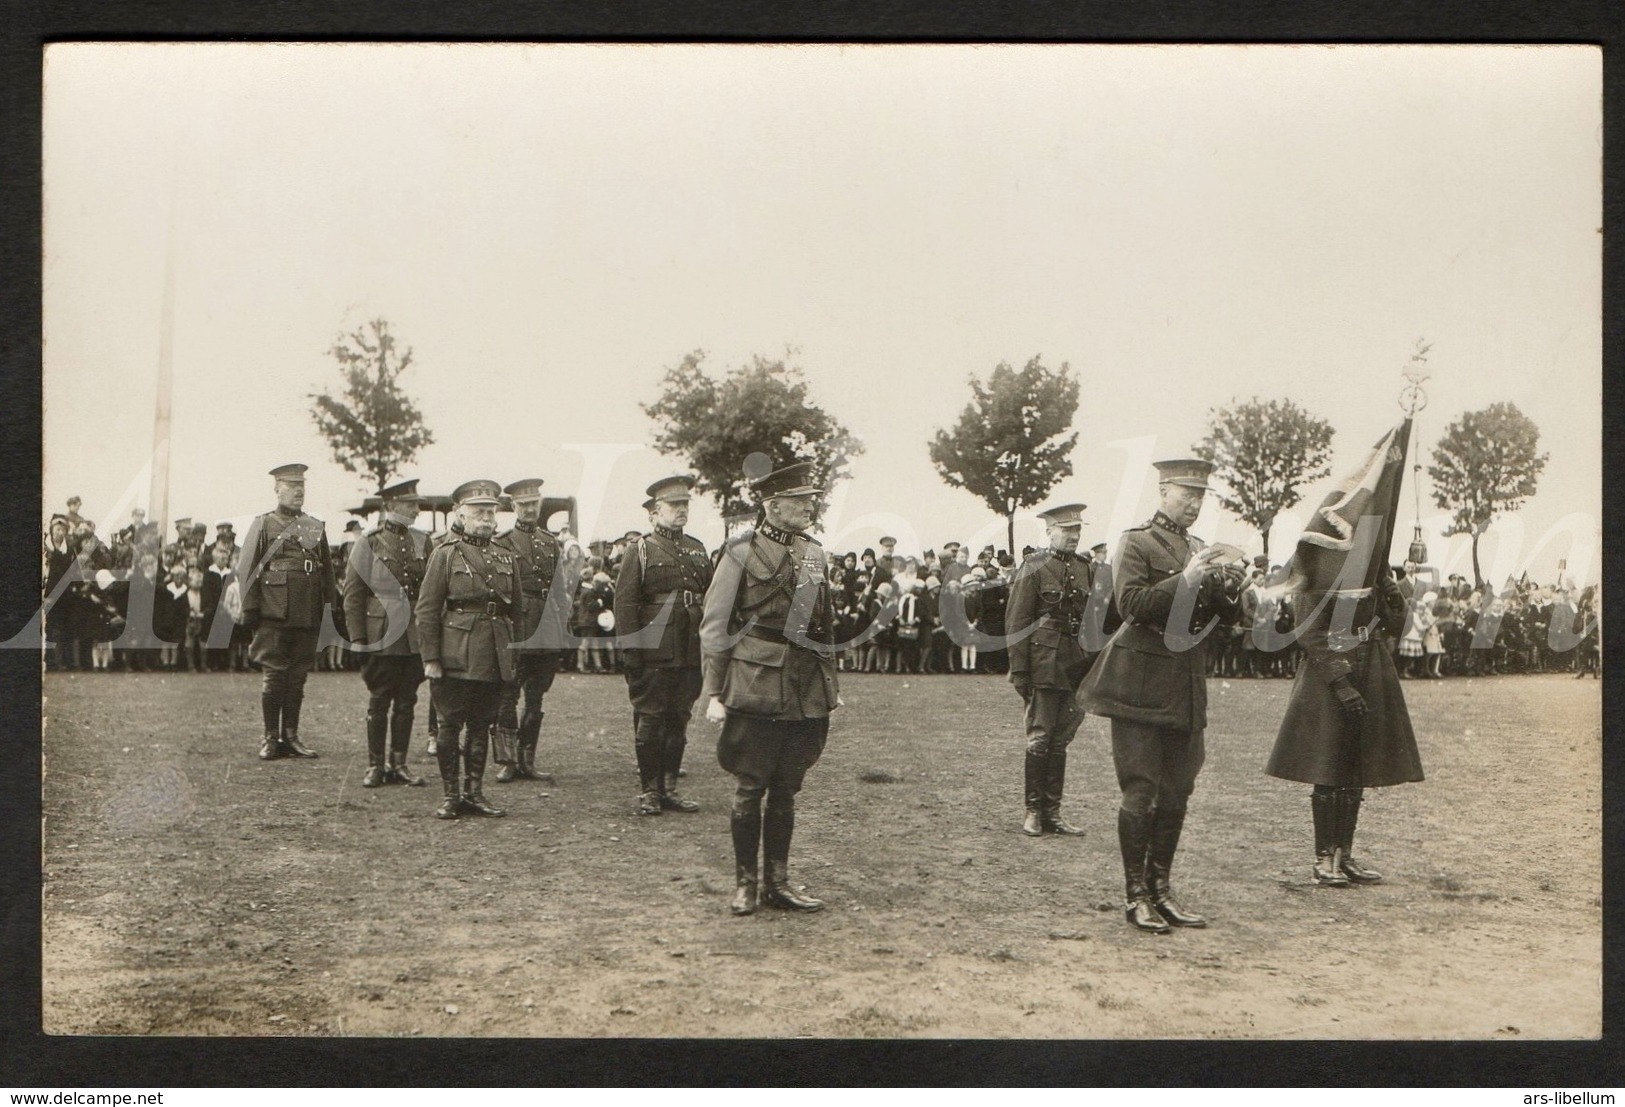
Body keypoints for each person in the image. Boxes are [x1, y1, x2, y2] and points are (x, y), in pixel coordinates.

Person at [1080, 458, 1244, 933]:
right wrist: (1188, 578)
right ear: (1163, 491)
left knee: (1177, 792)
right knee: (1141, 789)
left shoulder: (1197, 547)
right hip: (1140, 683)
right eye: (1187, 494)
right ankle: (1136, 897)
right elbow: (1130, 605)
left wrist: (1231, 593)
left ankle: (1162, 890)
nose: (1194, 504)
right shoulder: (1135, 542)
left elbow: (1220, 621)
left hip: (1185, 684)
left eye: (1201, 496)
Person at [1264, 483, 1423, 887]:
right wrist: (1341, 682)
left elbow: (1398, 627)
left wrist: (1392, 594)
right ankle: (1323, 858)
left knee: (1355, 767)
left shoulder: (1376, 568)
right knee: (1329, 765)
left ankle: (1345, 854)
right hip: (1328, 673)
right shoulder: (1316, 563)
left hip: (1371, 667)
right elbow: (1309, 630)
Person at [701, 460, 839, 916]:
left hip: (804, 685)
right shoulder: (740, 552)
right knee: (750, 784)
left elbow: (826, 623)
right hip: (756, 680)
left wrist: (830, 683)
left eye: (810, 500)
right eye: (801, 501)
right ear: (774, 506)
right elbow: (716, 626)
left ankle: (778, 882)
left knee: (787, 787)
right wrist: (715, 693)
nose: (809, 507)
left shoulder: (815, 554)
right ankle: (746, 885)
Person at [415, 479, 519, 819]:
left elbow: (515, 611)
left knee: (481, 724)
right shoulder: (445, 555)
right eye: (478, 512)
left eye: (491, 511)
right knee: (449, 725)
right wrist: (431, 657)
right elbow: (427, 610)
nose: (486, 518)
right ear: (460, 514)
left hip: (493, 651)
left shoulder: (506, 556)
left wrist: (511, 653)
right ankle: (451, 796)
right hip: (455, 653)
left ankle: (475, 793)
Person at [614, 474, 714, 815]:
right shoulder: (639, 550)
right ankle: (649, 791)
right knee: (651, 719)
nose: (681, 510)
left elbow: (712, 600)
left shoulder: (698, 549)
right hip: (654, 649)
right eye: (674, 505)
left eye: (685, 504)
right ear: (655, 512)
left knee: (679, 720)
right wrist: (631, 651)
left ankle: (670, 788)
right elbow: (625, 603)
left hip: (690, 647)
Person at [1006, 502, 1094, 837]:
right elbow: (1016, 622)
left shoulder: (1086, 568)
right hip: (1043, 664)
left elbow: (1091, 622)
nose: (1074, 536)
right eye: (1067, 530)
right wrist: (1020, 672)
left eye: (1078, 530)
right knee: (1039, 739)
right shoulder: (1033, 566)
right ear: (1049, 531)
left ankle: (1052, 812)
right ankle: (1033, 812)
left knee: (1060, 741)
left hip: (1074, 665)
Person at [238, 463, 336, 760]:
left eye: (302, 486)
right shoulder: (263, 524)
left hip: (307, 611)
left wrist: (329, 611)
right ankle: (270, 738)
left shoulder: (314, 525)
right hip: (273, 611)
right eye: (292, 486)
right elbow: (247, 571)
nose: (298, 491)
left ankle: (291, 736)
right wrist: (251, 610)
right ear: (277, 488)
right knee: (274, 675)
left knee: (297, 677)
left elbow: (328, 573)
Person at [342, 479, 430, 789]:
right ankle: (375, 766)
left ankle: (399, 763)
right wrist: (357, 640)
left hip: (413, 636)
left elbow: (430, 593)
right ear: (391, 506)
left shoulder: (423, 541)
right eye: (411, 505)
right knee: (379, 699)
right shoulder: (369, 543)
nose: (417, 510)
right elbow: (353, 595)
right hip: (380, 633)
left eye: (417, 504)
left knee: (407, 699)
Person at [491, 477, 575, 785]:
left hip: (547, 627)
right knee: (508, 695)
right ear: (512, 507)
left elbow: (559, 589)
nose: (529, 509)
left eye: (533, 504)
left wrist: (562, 626)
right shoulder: (501, 542)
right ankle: (508, 761)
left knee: (537, 697)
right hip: (517, 628)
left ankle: (528, 759)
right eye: (523, 505)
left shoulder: (549, 542)